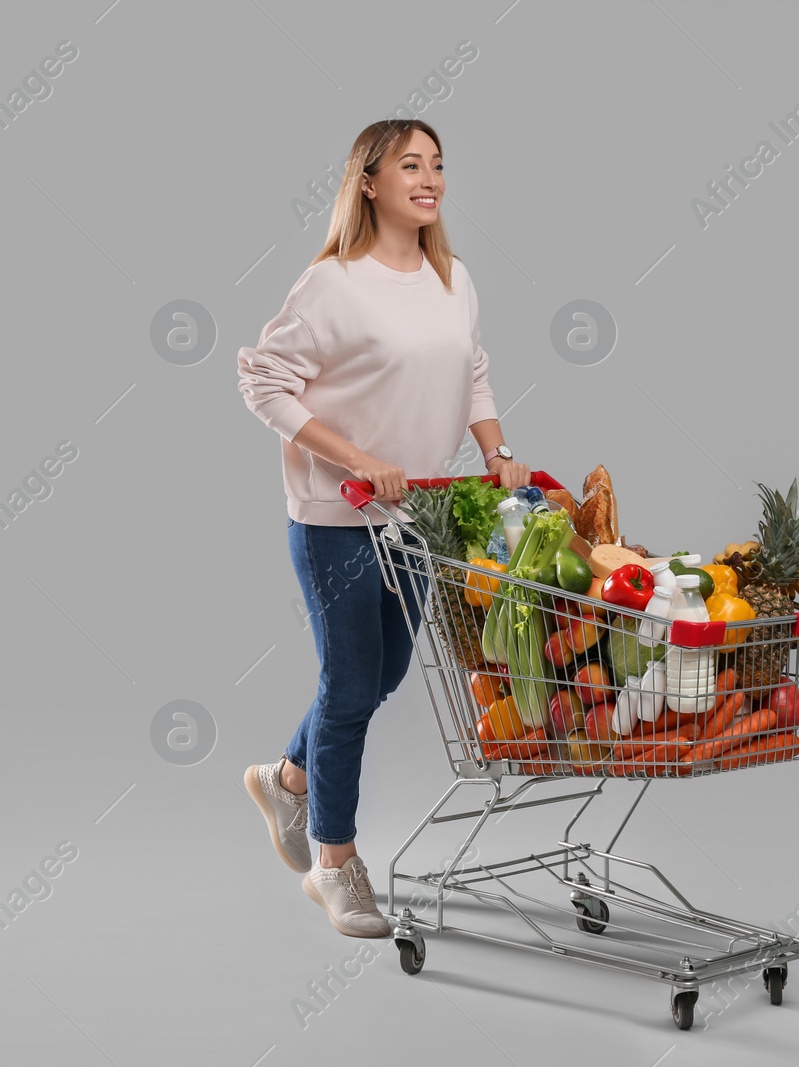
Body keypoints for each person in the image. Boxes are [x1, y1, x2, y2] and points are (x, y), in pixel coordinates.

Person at [237, 118, 531, 938]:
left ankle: (288, 778)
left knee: (385, 675)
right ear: (369, 182)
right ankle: (336, 865)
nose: (430, 177)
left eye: (438, 163)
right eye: (411, 164)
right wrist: (356, 456)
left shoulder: (453, 278)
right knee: (351, 683)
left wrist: (497, 449)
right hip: (337, 518)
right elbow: (266, 383)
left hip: (419, 518)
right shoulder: (333, 284)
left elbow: (470, 369)